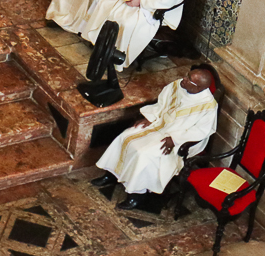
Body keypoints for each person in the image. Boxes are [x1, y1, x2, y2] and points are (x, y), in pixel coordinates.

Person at [90, 68, 217, 209]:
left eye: (189, 79)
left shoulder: (208, 106)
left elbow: (201, 131)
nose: (184, 78)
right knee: (125, 136)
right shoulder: (178, 85)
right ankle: (111, 174)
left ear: (198, 88)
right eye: (187, 75)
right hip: (159, 124)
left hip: (176, 138)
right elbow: (161, 104)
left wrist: (174, 140)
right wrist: (150, 117)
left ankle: (136, 194)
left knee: (143, 153)